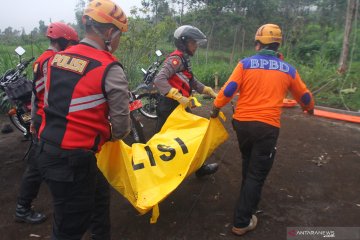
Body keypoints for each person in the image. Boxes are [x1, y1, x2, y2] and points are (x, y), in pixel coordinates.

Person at [36, 0, 131, 239]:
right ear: (110, 32)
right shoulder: (109, 67)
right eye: (120, 34)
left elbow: (48, 103)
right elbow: (121, 128)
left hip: (47, 151)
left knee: (99, 200)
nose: (119, 41)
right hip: (73, 162)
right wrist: (105, 132)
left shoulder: (56, 60)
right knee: (69, 229)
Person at [210, 24, 314, 236]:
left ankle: (245, 200)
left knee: (249, 162)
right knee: (257, 173)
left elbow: (229, 89)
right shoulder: (288, 69)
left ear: (258, 44)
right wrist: (309, 109)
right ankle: (242, 221)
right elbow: (304, 96)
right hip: (267, 128)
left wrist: (215, 107)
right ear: (277, 46)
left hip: (242, 124)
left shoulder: (245, 64)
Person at [15, 22, 79, 224]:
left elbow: (35, 94)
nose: (70, 48)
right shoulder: (55, 61)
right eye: (69, 44)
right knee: (37, 164)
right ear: (63, 41)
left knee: (44, 159)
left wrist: (34, 120)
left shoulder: (43, 59)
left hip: (43, 116)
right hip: (50, 118)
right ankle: (22, 209)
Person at [154, 25, 219, 178]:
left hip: (179, 106)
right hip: (169, 106)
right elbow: (159, 79)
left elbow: (190, 80)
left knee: (191, 136)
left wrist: (206, 89)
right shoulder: (175, 60)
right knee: (161, 141)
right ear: (183, 43)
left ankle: (199, 167)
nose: (196, 46)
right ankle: (155, 175)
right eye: (193, 42)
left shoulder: (184, 59)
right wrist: (176, 95)